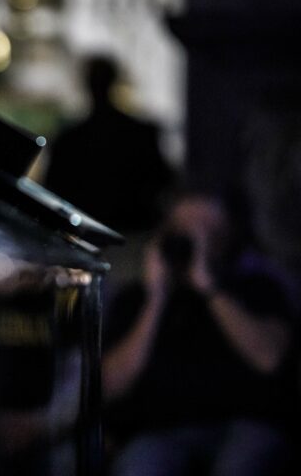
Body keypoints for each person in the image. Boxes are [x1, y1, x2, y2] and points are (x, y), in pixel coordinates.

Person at [102, 193, 295, 476]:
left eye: (206, 228)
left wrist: (209, 287)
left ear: (228, 236)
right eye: (184, 226)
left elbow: (269, 358)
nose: (193, 237)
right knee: (141, 465)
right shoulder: (136, 298)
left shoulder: (258, 288)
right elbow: (109, 384)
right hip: (159, 432)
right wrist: (156, 299)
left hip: (244, 426)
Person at [45, 54, 174, 233]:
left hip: (89, 231)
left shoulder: (70, 139)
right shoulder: (140, 132)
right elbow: (162, 179)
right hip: (134, 232)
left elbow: (53, 188)